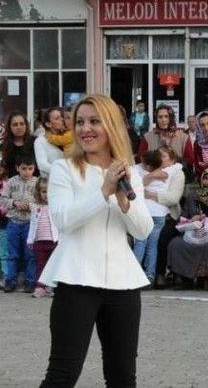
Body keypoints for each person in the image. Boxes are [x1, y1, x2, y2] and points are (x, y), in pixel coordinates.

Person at [39, 94, 153, 387]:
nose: (85, 129)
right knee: (63, 374)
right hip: (76, 280)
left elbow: (143, 230)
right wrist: (103, 191)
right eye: (79, 122)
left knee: (123, 377)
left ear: (112, 125)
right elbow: (63, 220)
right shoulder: (65, 169)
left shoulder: (128, 172)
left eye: (94, 121)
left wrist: (123, 201)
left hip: (122, 283)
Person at [133, 150, 182, 286]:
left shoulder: (138, 170)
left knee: (140, 243)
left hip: (144, 212)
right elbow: (178, 166)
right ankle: (150, 275)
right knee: (153, 245)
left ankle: (135, 275)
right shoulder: (169, 171)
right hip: (160, 213)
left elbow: (136, 185)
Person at [145, 145, 186, 289]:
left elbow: (173, 198)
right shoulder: (150, 170)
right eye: (158, 156)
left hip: (171, 216)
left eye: (163, 156)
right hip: (148, 213)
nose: (159, 159)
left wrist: (151, 195)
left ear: (172, 160)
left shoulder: (177, 173)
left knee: (162, 237)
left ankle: (160, 273)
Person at [0, 154, 38, 293]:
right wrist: (14, 203)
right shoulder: (11, 182)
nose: (27, 172)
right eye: (23, 168)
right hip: (13, 223)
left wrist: (30, 206)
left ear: (34, 168)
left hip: (30, 224)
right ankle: (10, 281)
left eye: (30, 168)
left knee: (30, 254)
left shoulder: (37, 182)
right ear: (17, 168)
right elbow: (3, 199)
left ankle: (30, 282)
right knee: (12, 254)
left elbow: (43, 202)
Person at [27, 177, 58, 298]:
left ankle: (53, 287)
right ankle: (40, 287)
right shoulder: (36, 208)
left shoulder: (56, 206)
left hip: (54, 242)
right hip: (39, 242)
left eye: (50, 191)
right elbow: (33, 225)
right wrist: (30, 239)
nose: (47, 194)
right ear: (39, 192)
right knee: (41, 264)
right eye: (44, 191)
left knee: (54, 265)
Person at [2, 111, 36, 179]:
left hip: (33, 185)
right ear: (9, 127)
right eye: (15, 124)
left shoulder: (35, 142)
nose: (19, 127)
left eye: (22, 124)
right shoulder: (4, 146)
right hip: (12, 186)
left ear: (26, 125)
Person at [34, 107, 66, 177]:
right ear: (48, 124)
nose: (62, 120)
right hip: (50, 182)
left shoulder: (67, 136)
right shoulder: (40, 141)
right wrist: (64, 172)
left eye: (62, 117)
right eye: (57, 118)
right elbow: (42, 165)